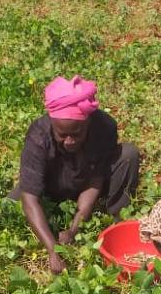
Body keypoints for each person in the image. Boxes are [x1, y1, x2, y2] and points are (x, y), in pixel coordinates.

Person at [11, 75, 140, 275]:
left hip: (85, 180)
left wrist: (75, 227)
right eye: (62, 135)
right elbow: (30, 198)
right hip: (51, 185)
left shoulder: (104, 127)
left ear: (88, 123)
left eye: (77, 134)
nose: (69, 141)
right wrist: (54, 250)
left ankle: (117, 219)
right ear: (53, 125)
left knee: (128, 154)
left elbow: (96, 179)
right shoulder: (38, 135)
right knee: (15, 203)